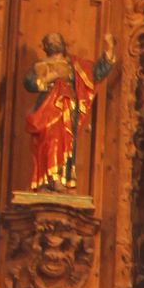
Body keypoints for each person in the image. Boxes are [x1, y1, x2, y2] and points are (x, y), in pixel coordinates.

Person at [23, 28, 116, 191]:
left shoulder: (74, 65)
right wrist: (47, 79)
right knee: (48, 142)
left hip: (66, 111)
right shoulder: (40, 66)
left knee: (63, 142)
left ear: (62, 45)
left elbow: (95, 73)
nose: (54, 43)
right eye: (50, 41)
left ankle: (60, 179)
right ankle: (46, 180)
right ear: (45, 46)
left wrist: (109, 49)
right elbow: (29, 83)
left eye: (56, 39)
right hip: (46, 110)